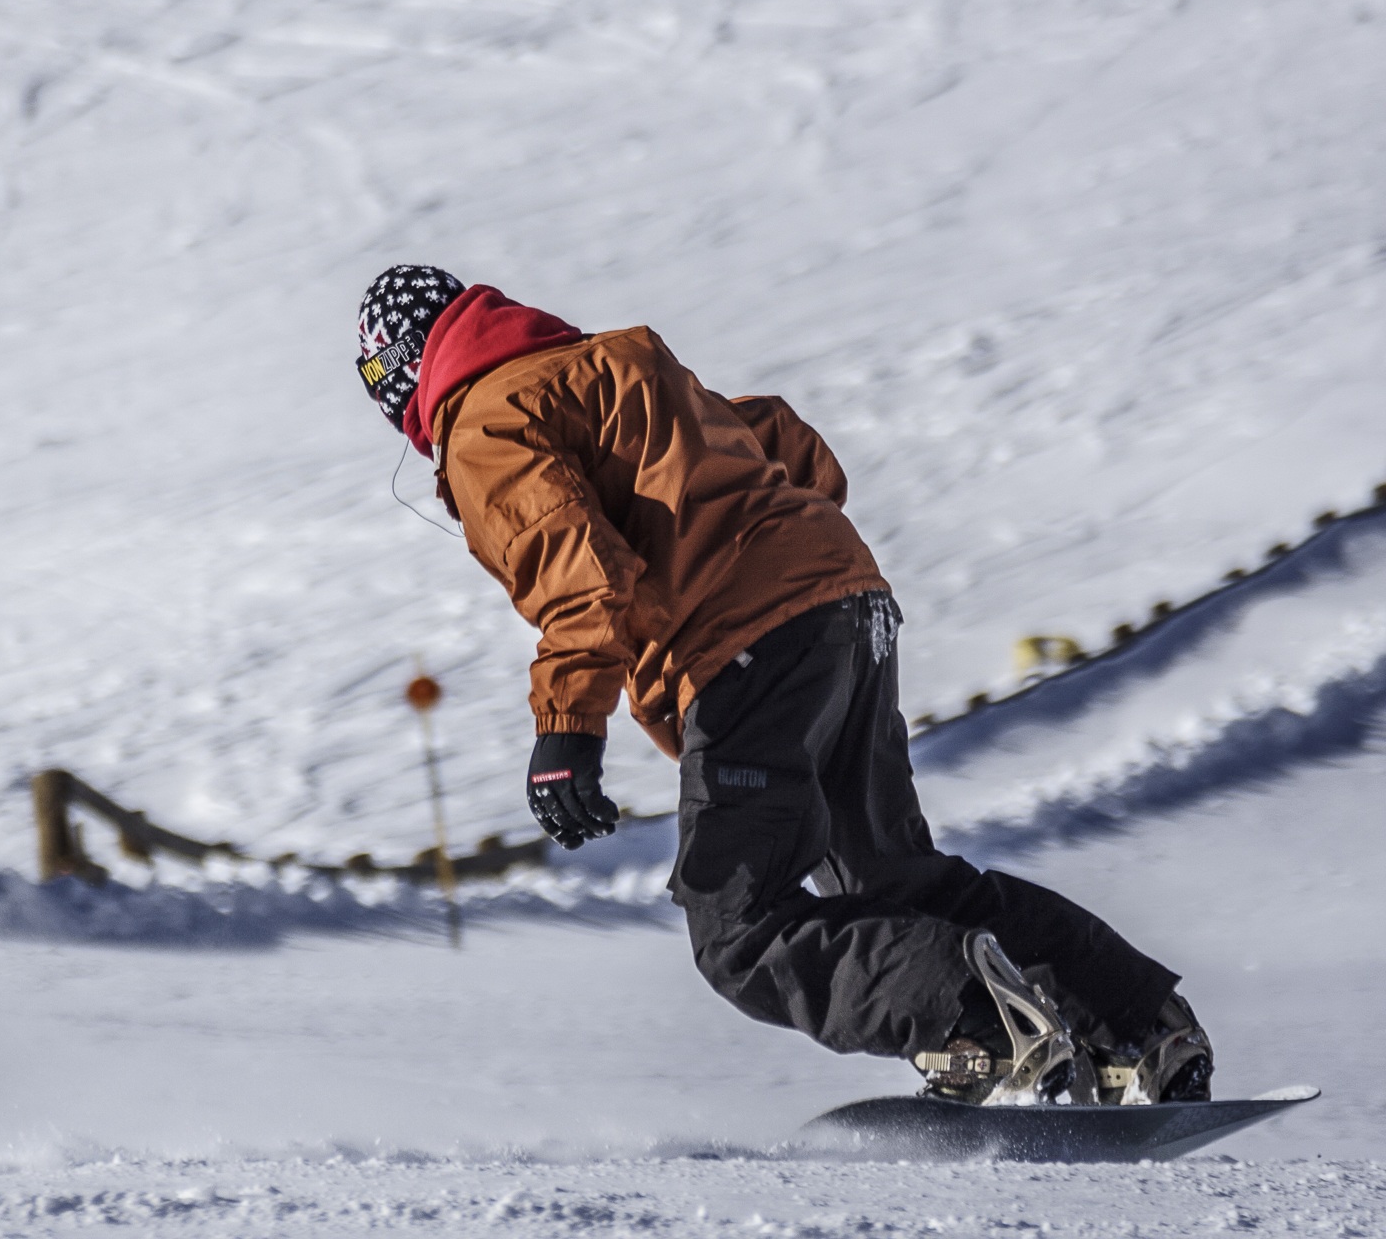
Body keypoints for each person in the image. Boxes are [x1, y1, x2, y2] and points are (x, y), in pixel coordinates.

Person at [351, 264, 1213, 1106]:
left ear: (398, 374)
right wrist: (782, 547)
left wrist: (567, 731)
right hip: (847, 603)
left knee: (738, 927)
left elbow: (578, 574)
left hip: (749, 643)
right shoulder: (614, 362)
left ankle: (984, 1028)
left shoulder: (486, 423)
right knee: (891, 880)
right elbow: (786, 440)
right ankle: (1141, 1028)